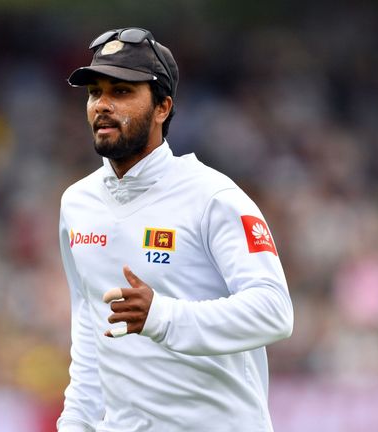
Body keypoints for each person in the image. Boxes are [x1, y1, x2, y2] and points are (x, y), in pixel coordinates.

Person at [57, 27, 294, 432]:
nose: (103, 105)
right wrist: (75, 423)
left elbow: (274, 312)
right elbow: (91, 330)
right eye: (95, 92)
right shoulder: (77, 204)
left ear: (163, 107)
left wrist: (162, 316)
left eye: (122, 91)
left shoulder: (213, 196)